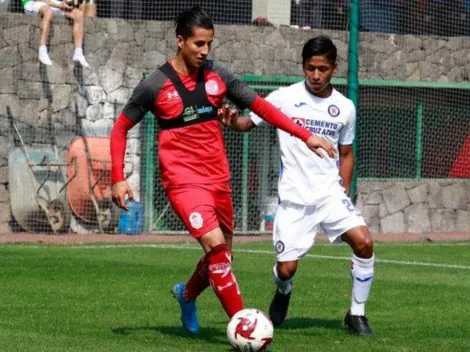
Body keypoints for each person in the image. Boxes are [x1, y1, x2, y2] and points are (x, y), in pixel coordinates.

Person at [109, 7, 335, 335]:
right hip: (182, 181)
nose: (204, 51)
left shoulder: (219, 77)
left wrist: (306, 135)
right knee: (215, 246)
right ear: (180, 41)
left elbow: (262, 107)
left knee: (223, 258)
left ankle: (186, 295)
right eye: (198, 44)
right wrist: (118, 177)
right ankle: (245, 326)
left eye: (209, 44)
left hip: (218, 178)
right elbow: (120, 128)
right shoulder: (154, 85)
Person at [219, 35, 375, 336]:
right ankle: (284, 289)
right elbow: (247, 124)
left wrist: (343, 190)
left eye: (323, 69)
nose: (316, 75)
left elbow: (346, 154)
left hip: (330, 195)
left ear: (334, 68)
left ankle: (357, 313)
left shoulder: (345, 107)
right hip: (294, 200)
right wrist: (231, 122)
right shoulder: (283, 97)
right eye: (310, 68)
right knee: (286, 269)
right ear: (303, 66)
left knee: (364, 242)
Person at [22, 0, 90, 67]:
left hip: (50, 2)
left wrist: (69, 2)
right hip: (32, 3)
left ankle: (78, 53)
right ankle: (42, 50)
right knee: (48, 12)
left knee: (79, 14)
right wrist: (58, 5)